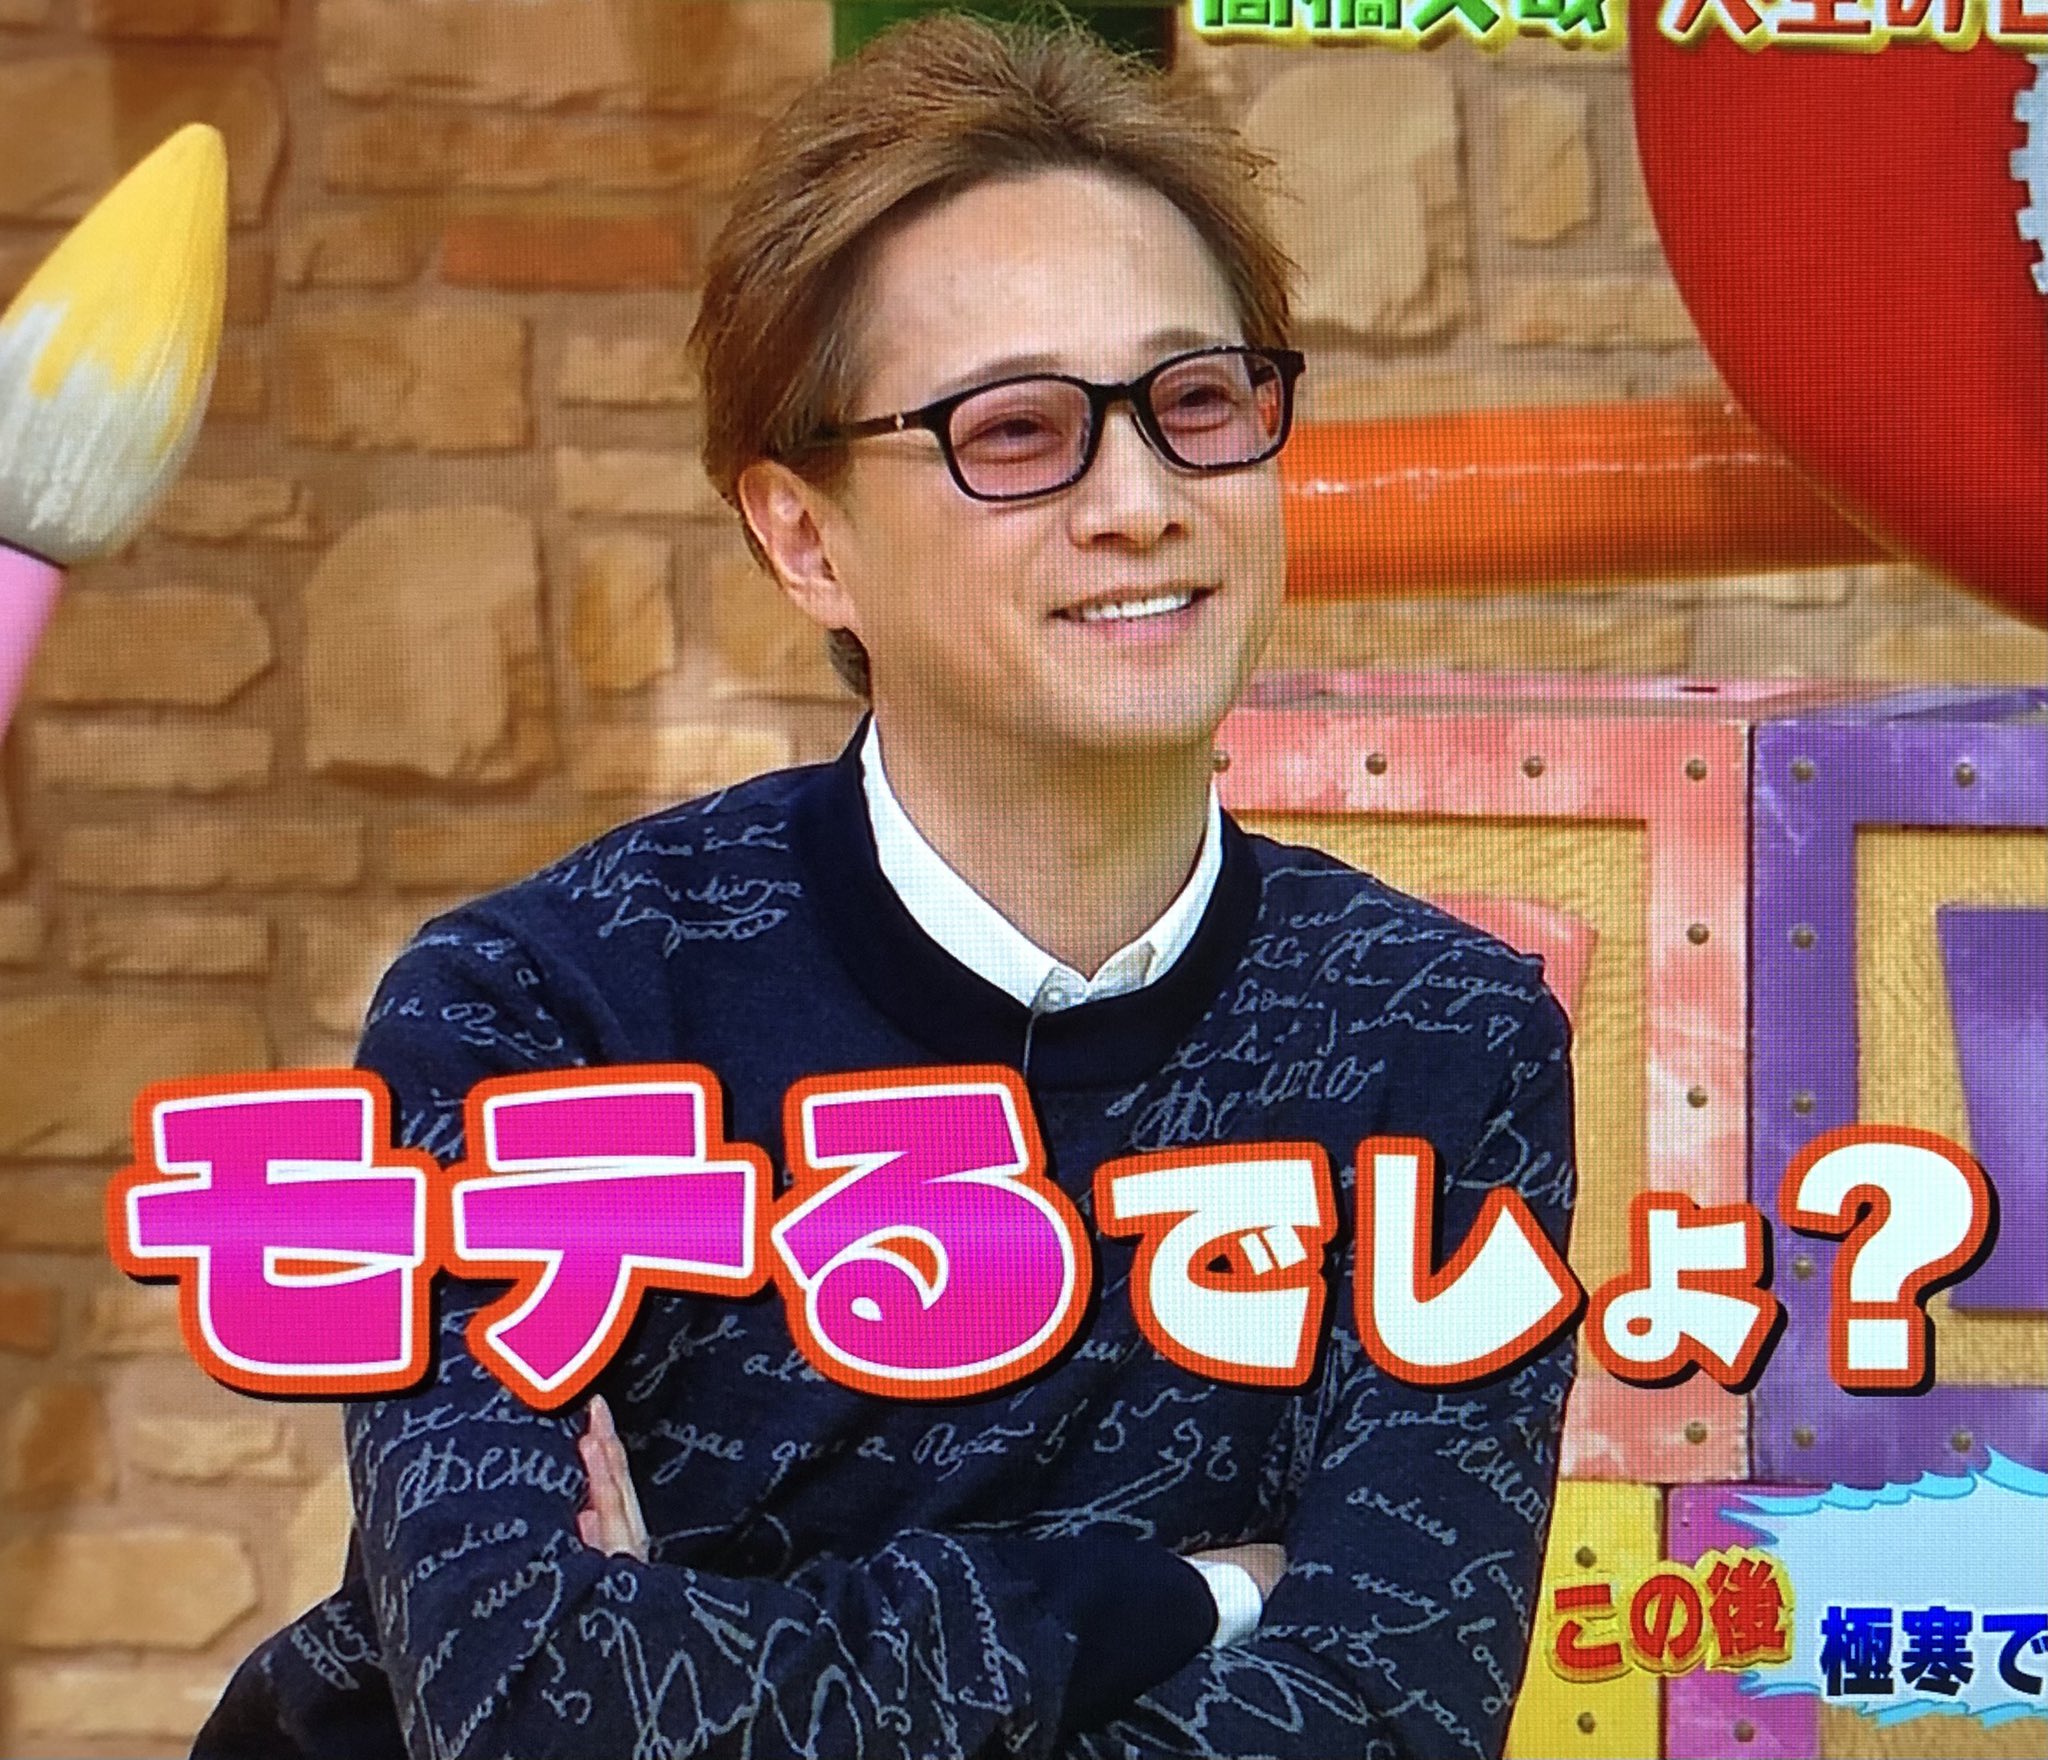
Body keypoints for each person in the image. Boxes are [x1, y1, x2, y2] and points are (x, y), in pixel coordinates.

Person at [193, 13, 1577, 1759]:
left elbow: (1387, 1715)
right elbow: (535, 1703)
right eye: (1017, 431)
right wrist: (1183, 1599)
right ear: (804, 536)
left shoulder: (1442, 1037)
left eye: (1197, 403)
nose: (1141, 500)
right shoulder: (543, 1016)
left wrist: (705, 1650)